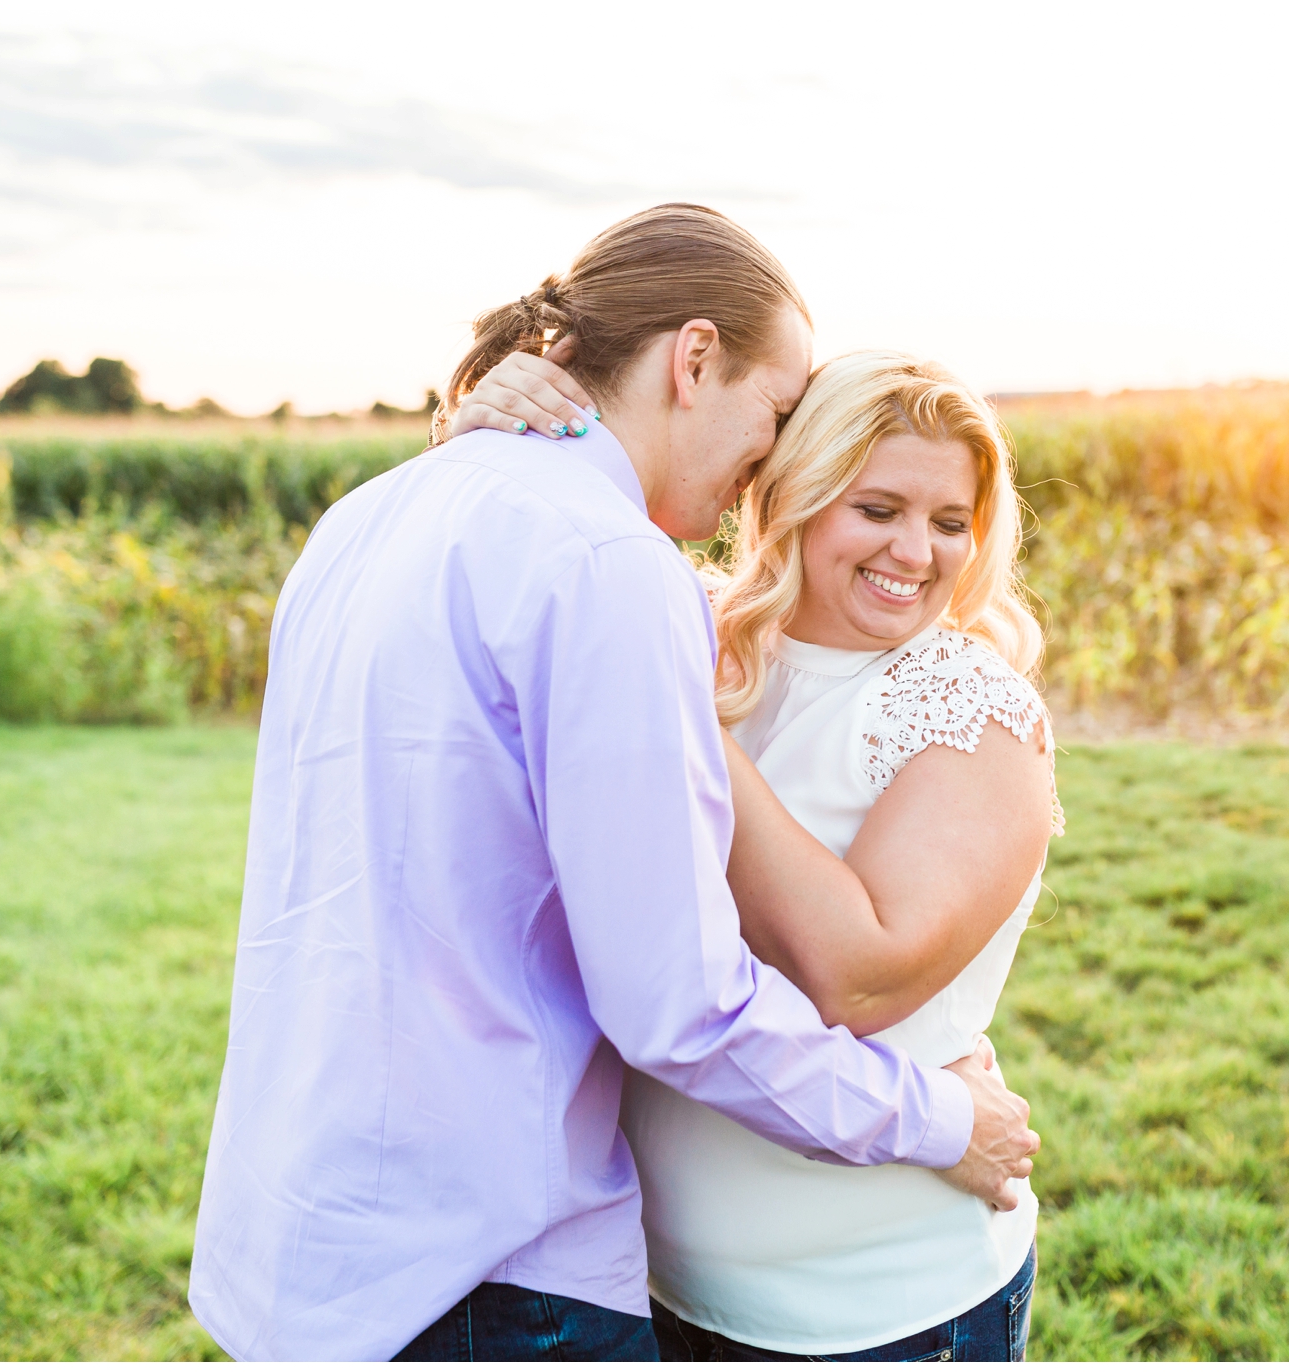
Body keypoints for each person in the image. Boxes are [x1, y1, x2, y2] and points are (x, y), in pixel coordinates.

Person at [187, 205, 1038, 1363]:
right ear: (693, 359)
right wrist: (944, 1120)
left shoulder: (370, 514)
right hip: (487, 1258)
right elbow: (677, 1005)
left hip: (306, 1241)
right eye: (775, 410)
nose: (768, 449)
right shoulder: (613, 573)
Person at [455, 350, 1061, 1361]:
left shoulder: (971, 708)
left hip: (877, 1310)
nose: (916, 551)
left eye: (949, 521)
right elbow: (506, 578)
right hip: (651, 1287)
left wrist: (675, 705)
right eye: (876, 508)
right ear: (797, 495)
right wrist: (473, 422)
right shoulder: (697, 631)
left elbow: (858, 977)